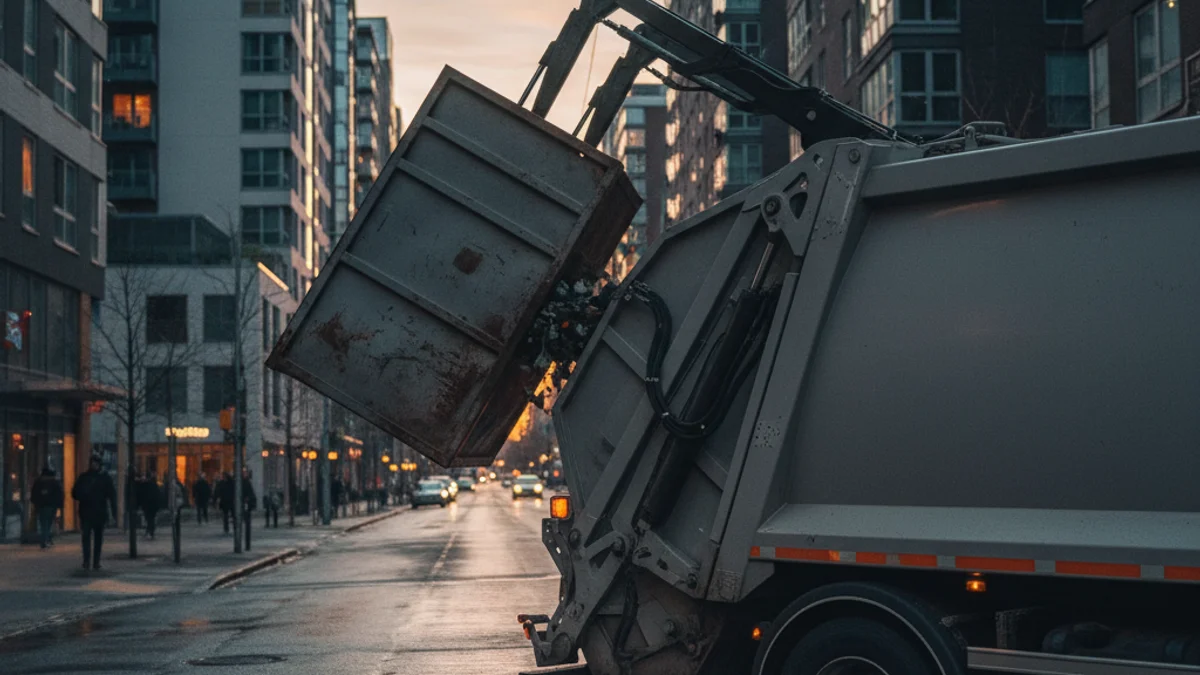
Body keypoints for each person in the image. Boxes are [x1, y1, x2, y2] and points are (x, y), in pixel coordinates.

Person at [71, 455, 117, 571]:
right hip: (88, 512)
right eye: (92, 463)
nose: (94, 465)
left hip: (97, 512)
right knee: (87, 537)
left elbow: (111, 496)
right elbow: (75, 493)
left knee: (96, 538)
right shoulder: (86, 477)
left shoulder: (100, 478)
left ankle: (95, 561)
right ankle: (87, 561)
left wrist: (114, 512)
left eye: (95, 463)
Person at [30, 467, 64, 549]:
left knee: (43, 523)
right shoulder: (54, 482)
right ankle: (46, 540)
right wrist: (59, 505)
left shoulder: (38, 482)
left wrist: (35, 503)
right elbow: (60, 494)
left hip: (41, 506)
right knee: (48, 523)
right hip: (51, 506)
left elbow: (34, 494)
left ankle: (44, 539)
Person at [138, 470, 161, 539]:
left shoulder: (146, 484)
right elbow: (157, 495)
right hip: (152, 505)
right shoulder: (154, 484)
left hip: (149, 505)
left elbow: (142, 495)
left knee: (149, 519)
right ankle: (150, 532)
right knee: (151, 519)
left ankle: (150, 532)